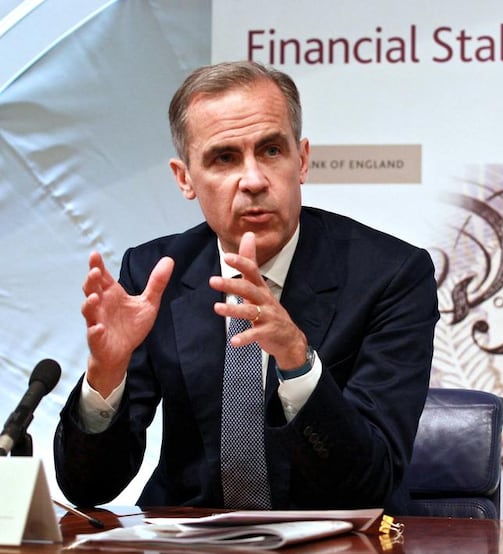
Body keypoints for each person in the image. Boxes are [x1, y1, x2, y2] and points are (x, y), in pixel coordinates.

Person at [53, 61, 439, 513]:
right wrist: (107, 374)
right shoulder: (156, 273)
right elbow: (89, 489)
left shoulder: (390, 275)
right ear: (185, 178)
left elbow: (369, 486)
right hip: (190, 541)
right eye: (224, 158)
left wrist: (297, 361)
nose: (254, 180)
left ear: (303, 159)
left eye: (271, 150)